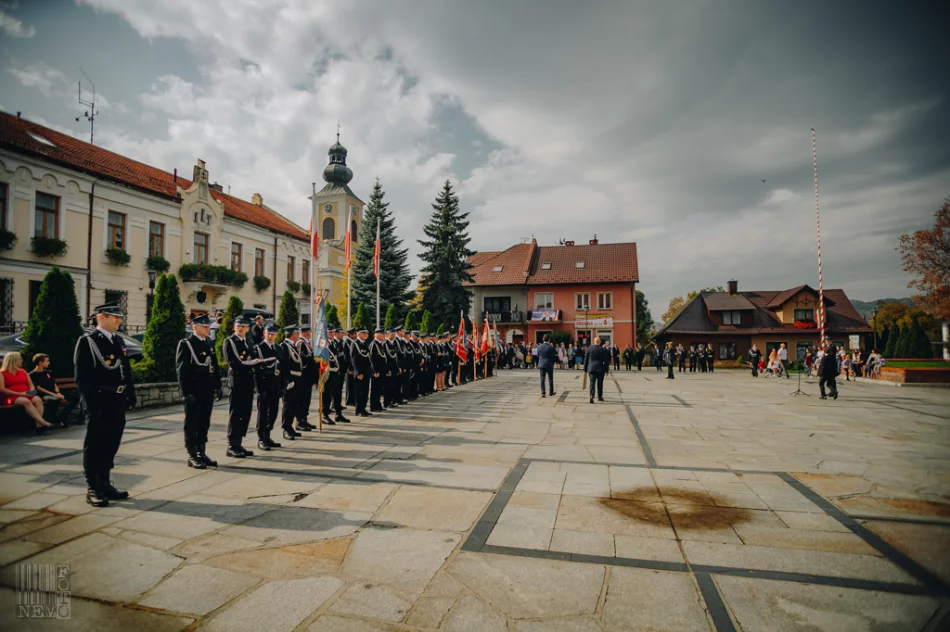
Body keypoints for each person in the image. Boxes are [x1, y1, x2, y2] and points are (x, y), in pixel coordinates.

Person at [74, 303, 136, 507]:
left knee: (112, 442)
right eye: (114, 316)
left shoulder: (117, 340)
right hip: (99, 400)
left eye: (119, 317)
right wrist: (90, 405)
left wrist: (130, 393)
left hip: (117, 399)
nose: (119, 320)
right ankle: (93, 486)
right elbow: (82, 378)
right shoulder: (88, 341)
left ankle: (105, 482)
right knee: (95, 444)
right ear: (101, 317)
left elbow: (125, 369)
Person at [176, 313, 223, 469]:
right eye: (204, 326)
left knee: (204, 422)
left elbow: (213, 367)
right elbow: (182, 371)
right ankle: (192, 454)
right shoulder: (187, 343)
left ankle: (202, 452)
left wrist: (217, 385)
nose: (207, 328)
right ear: (194, 327)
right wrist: (185, 393)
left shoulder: (208, 343)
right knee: (192, 423)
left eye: (208, 326)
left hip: (206, 390)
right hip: (194, 391)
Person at [222, 316, 258, 458]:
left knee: (245, 413)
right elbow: (233, 362)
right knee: (236, 413)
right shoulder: (230, 342)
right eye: (238, 326)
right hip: (237, 381)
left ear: (248, 328)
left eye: (244, 326)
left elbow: (252, 357)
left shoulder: (248, 342)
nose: (241, 328)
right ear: (234, 327)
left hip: (248, 381)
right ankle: (232, 444)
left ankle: (239, 442)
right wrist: (251, 364)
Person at [1, 351, 52, 431]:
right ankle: (44, 422)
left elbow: (31, 384)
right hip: (12, 396)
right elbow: (2, 389)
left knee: (38, 400)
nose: (21, 361)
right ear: (13, 361)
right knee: (26, 401)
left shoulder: (22, 371)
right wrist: (20, 393)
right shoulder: (2, 373)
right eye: (19, 359)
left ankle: (38, 425)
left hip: (26, 393)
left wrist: (31, 391)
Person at [30, 353, 79, 426]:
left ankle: (61, 417)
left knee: (76, 398)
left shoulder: (48, 372)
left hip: (55, 393)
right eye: (47, 361)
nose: (48, 363)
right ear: (40, 362)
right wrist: (54, 395)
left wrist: (58, 393)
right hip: (44, 395)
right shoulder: (32, 375)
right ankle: (53, 419)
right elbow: (39, 388)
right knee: (54, 400)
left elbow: (54, 384)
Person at [254, 323, 283, 450]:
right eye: (268, 333)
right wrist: (260, 389)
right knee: (263, 412)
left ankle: (268, 434)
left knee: (274, 412)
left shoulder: (278, 348)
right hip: (264, 385)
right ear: (264, 333)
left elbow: (281, 368)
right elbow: (256, 371)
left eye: (273, 334)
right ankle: (261, 438)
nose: (271, 336)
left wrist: (283, 386)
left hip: (275, 385)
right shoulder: (259, 349)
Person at [279, 325, 305, 440]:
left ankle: (290, 427)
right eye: (297, 333)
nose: (298, 335)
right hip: (290, 380)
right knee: (288, 406)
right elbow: (284, 365)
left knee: (294, 405)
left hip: (297, 379)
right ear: (293, 334)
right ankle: (286, 428)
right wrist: (288, 380)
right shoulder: (284, 346)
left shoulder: (292, 346)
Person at [350, 329, 373, 416]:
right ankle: (359, 410)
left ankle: (363, 408)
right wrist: (358, 372)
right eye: (364, 333)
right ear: (359, 334)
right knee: (359, 392)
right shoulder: (355, 344)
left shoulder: (364, 344)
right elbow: (354, 359)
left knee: (365, 391)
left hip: (366, 372)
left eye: (367, 333)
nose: (367, 335)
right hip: (360, 372)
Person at [584, 336, 610, 403]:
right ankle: (599, 396)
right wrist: (606, 370)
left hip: (591, 368)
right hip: (600, 368)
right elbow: (606, 361)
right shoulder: (602, 349)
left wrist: (585, 369)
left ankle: (591, 395)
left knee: (592, 382)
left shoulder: (589, 349)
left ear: (593, 341)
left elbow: (586, 359)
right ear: (600, 342)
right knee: (600, 383)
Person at [368, 328, 387, 411]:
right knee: (375, 389)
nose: (384, 335)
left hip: (381, 370)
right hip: (377, 371)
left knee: (379, 389)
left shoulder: (380, 344)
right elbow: (371, 359)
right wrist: (375, 371)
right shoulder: (374, 344)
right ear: (377, 335)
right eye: (382, 334)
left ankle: (378, 405)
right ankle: (374, 406)